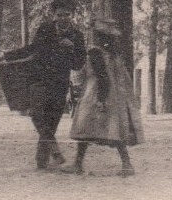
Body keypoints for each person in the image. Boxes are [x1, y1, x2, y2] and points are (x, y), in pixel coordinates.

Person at [0, 0, 87, 170]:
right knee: (37, 115)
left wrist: (71, 48)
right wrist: (6, 56)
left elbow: (78, 64)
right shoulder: (45, 29)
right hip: (39, 80)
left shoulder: (77, 36)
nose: (63, 18)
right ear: (54, 15)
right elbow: (32, 49)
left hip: (60, 84)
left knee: (52, 121)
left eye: (67, 15)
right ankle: (54, 150)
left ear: (72, 16)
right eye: (60, 15)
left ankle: (42, 160)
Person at [61, 18, 143, 177]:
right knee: (113, 130)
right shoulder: (115, 54)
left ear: (98, 35)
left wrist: (100, 99)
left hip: (96, 94)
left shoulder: (95, 52)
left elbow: (102, 76)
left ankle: (78, 164)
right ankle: (126, 164)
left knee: (84, 127)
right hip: (114, 96)